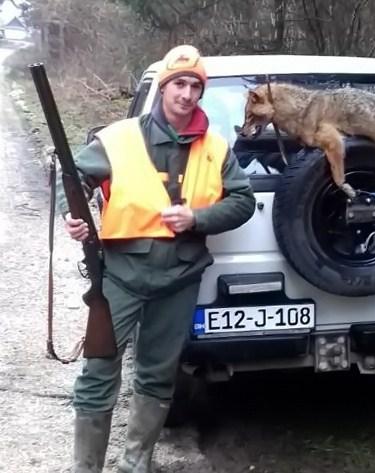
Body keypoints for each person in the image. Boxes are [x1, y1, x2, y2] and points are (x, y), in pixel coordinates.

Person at [56, 45, 256, 472]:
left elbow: (242, 201)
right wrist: (73, 216)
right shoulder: (120, 137)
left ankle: (135, 464)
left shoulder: (216, 148)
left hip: (179, 279)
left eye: (194, 86)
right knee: (98, 373)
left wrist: (197, 218)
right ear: (163, 87)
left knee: (157, 376)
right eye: (178, 84)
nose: (186, 94)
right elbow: (71, 177)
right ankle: (85, 468)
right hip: (121, 275)